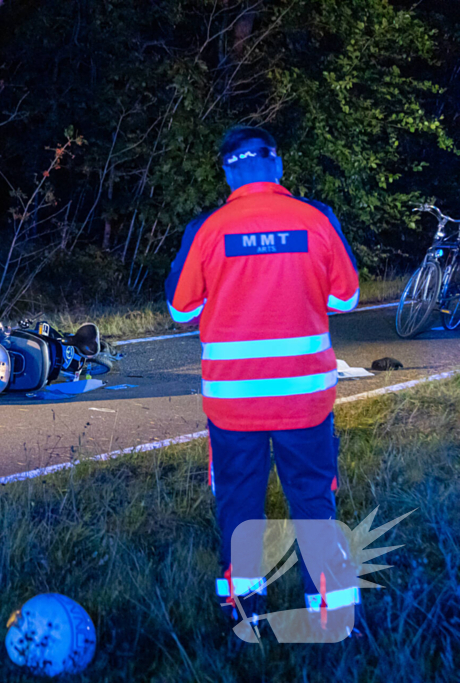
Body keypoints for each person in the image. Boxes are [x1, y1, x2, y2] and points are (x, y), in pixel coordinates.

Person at [165, 126, 361, 637]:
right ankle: (333, 616)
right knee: (314, 499)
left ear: (227, 171)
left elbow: (180, 308)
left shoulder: (207, 228)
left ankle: (246, 614)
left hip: (234, 403)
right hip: (304, 398)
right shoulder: (316, 220)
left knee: (240, 503)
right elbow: (346, 298)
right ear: (278, 166)